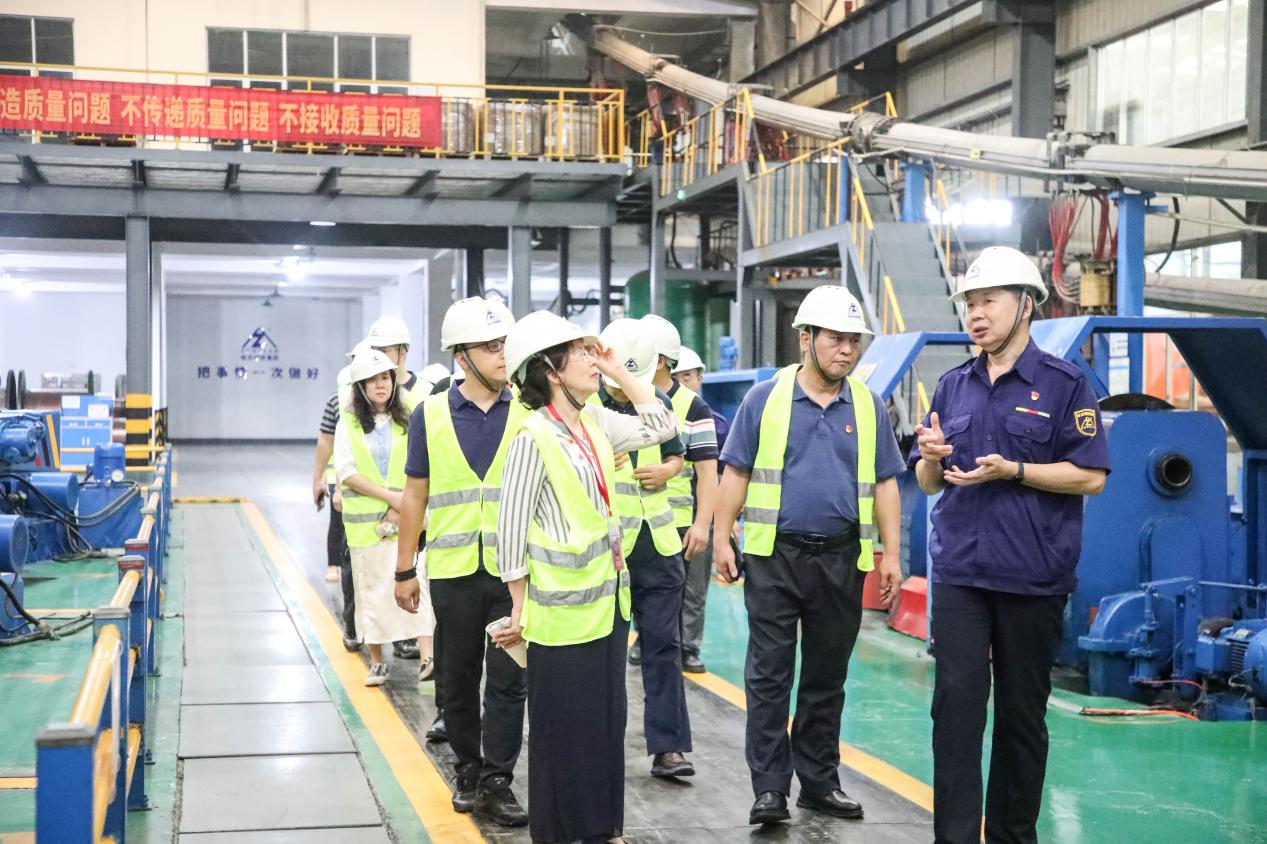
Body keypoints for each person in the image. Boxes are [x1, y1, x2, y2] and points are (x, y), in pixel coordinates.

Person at [908, 246, 1109, 844]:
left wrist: (1015, 470)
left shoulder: (1065, 385)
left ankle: (1012, 836)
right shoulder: (952, 386)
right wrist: (931, 459)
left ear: (1025, 305)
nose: (976, 313)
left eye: (988, 301)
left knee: (1021, 717)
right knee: (955, 710)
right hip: (961, 574)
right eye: (970, 303)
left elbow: (1091, 476)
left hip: (1032, 576)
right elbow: (927, 481)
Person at [712, 285, 905, 826]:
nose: (847, 349)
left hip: (841, 560)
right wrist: (722, 537)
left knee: (826, 677)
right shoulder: (765, 399)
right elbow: (736, 472)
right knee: (769, 676)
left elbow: (885, 483)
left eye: (853, 341)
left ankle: (819, 782)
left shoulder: (867, 406)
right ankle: (770, 788)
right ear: (806, 338)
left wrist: (891, 553)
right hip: (774, 558)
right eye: (836, 338)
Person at [490, 310, 677, 844]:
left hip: (608, 608)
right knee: (561, 732)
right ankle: (557, 833)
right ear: (549, 369)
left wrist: (618, 371)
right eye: (579, 352)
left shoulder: (595, 422)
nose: (591, 358)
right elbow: (510, 533)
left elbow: (662, 426)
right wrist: (519, 609)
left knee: (604, 725)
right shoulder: (532, 437)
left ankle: (602, 829)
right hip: (558, 617)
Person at [394, 297, 529, 827]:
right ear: (462, 357)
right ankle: (468, 768)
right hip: (452, 572)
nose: (503, 355)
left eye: (505, 345)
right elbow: (415, 495)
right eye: (491, 346)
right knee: (456, 677)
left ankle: (498, 779)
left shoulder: (529, 411)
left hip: (513, 573)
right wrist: (404, 569)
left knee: (509, 680)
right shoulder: (429, 415)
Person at [596, 318, 695, 779]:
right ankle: (602, 743)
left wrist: (668, 471)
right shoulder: (586, 406)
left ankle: (669, 748)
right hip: (606, 548)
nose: (622, 392)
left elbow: (677, 453)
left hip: (657, 543)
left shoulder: (658, 402)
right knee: (606, 652)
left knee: (663, 646)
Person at [334, 348, 435, 686]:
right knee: (372, 593)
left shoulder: (409, 421)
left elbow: (420, 467)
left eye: (385, 378)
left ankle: (427, 657)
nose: (381, 385)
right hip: (367, 529)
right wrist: (391, 498)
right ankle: (377, 661)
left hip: (406, 522)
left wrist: (401, 505)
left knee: (418, 584)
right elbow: (347, 473)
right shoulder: (348, 424)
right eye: (373, 380)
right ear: (360, 388)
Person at [641, 319, 719, 675]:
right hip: (634, 522)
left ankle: (687, 646)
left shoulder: (693, 407)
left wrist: (702, 525)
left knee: (689, 591)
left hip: (678, 523)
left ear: (659, 360)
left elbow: (708, 474)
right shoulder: (623, 399)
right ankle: (645, 639)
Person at [313, 363, 358, 650]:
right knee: (338, 528)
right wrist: (321, 478)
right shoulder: (337, 403)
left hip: (364, 485)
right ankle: (333, 565)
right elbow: (326, 441)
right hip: (340, 481)